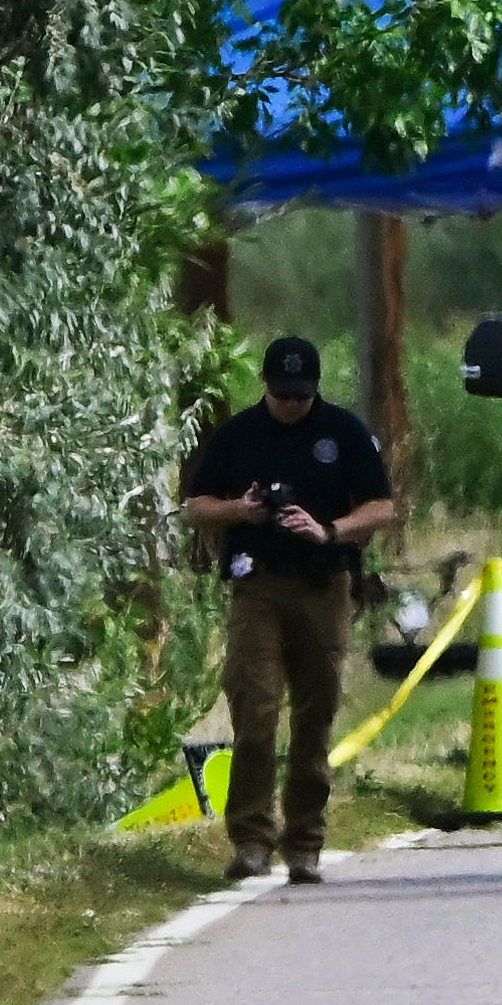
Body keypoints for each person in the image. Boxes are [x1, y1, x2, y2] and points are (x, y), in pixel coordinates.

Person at [181, 336, 398, 883]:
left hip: (323, 586)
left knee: (315, 714)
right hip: (257, 587)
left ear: (315, 389)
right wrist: (242, 510)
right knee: (254, 706)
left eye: (300, 397)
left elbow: (381, 506)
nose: (291, 405)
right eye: (282, 396)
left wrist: (328, 530)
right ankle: (251, 838)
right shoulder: (237, 435)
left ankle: (304, 842)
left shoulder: (343, 432)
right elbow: (195, 506)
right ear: (265, 386)